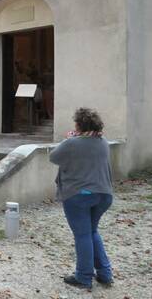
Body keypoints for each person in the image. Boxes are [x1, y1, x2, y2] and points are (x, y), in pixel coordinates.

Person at [49, 108, 113, 289]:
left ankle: (84, 277)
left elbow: (53, 157)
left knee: (83, 235)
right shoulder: (103, 142)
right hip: (104, 194)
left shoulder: (73, 143)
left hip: (79, 195)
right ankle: (105, 273)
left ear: (79, 125)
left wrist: (69, 138)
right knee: (92, 232)